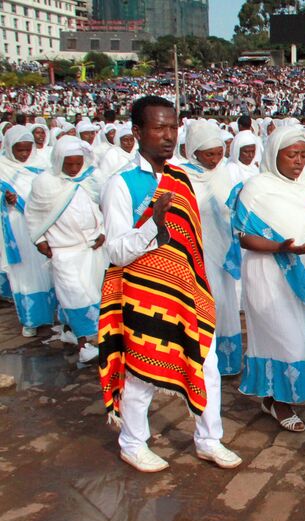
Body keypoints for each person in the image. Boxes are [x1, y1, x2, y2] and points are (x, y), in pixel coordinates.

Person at [98, 95, 241, 473]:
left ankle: (209, 440)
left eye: (172, 127)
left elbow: (192, 237)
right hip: (143, 293)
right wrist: (152, 227)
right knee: (141, 372)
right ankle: (132, 442)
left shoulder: (180, 177)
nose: (167, 135)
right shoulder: (121, 185)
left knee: (205, 362)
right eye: (158, 127)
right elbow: (115, 250)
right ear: (137, 132)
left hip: (185, 288)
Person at [233, 126, 305, 432]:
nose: (299, 161)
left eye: (303, 154)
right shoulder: (256, 188)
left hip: (298, 270)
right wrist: (280, 247)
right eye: (292, 154)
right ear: (274, 155)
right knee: (284, 338)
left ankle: (272, 398)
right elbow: (244, 236)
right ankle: (281, 402)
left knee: (290, 332)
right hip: (265, 271)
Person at [25, 137, 105, 362]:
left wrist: (103, 232)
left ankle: (70, 331)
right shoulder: (45, 183)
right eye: (68, 164)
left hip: (92, 248)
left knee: (92, 293)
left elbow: (103, 207)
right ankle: (86, 344)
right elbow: (33, 214)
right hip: (64, 251)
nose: (73, 169)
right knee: (77, 297)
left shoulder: (90, 180)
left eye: (77, 163)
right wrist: (40, 240)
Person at [181, 121, 243, 376]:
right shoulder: (181, 176)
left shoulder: (228, 172)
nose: (215, 159)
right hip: (197, 252)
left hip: (225, 251)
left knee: (226, 302)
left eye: (219, 153)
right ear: (193, 151)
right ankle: (201, 364)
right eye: (209, 155)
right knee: (203, 304)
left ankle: (226, 362)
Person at [0, 124, 56, 337]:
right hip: (16, 228)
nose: (24, 154)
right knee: (24, 274)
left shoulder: (42, 166)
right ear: (9, 147)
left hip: (41, 226)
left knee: (46, 271)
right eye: (19, 150)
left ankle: (50, 315)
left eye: (27, 149)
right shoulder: (2, 167)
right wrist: (5, 200)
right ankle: (30, 319)